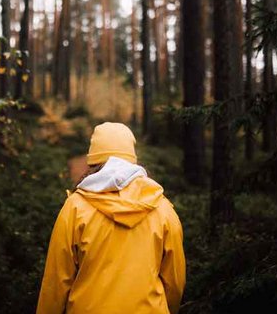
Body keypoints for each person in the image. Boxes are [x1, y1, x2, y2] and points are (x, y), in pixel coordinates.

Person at [36, 122, 186, 314]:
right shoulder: (162, 208)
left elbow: (56, 282)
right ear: (133, 160)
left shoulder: (75, 207)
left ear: (92, 162)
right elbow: (174, 282)